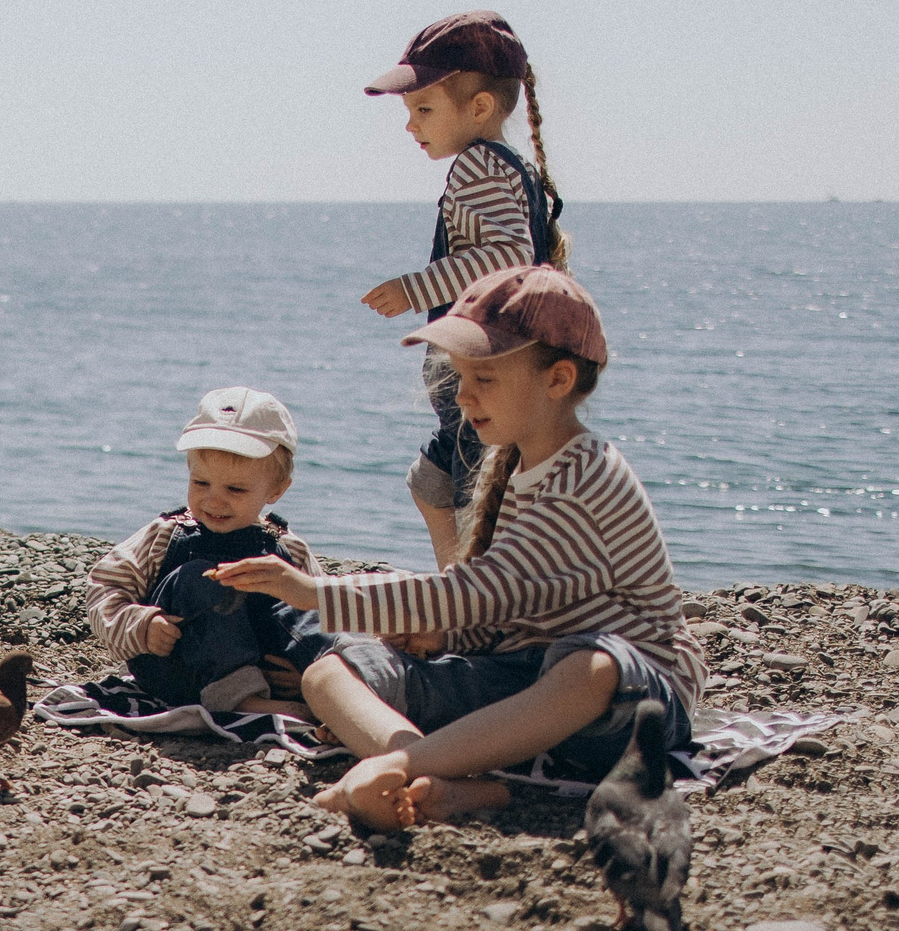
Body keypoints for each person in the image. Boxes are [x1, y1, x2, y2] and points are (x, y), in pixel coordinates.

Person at [213, 266, 706, 831]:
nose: (463, 395)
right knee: (330, 671)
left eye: (484, 379)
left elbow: (479, 592)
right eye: (460, 376)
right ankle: (451, 781)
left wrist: (315, 592)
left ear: (558, 379)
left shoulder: (587, 477)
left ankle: (398, 763)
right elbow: (506, 610)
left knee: (589, 667)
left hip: (631, 707)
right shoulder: (513, 465)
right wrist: (442, 637)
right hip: (522, 685)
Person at [360, 11, 567, 569]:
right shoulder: (510, 166)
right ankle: (459, 582)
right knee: (434, 478)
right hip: (495, 359)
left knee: (481, 486)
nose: (411, 125)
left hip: (486, 360)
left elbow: (508, 257)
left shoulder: (476, 166)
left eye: (423, 109)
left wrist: (414, 288)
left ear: (478, 107)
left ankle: (479, 597)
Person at [86, 388, 328, 713]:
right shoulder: (167, 534)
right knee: (200, 579)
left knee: (300, 596)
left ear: (276, 489)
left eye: (235, 489)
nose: (214, 500)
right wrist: (141, 626)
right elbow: (104, 588)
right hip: (178, 670)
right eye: (201, 483)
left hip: (267, 674)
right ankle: (246, 702)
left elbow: (321, 609)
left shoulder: (285, 546)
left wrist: (306, 668)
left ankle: (326, 687)